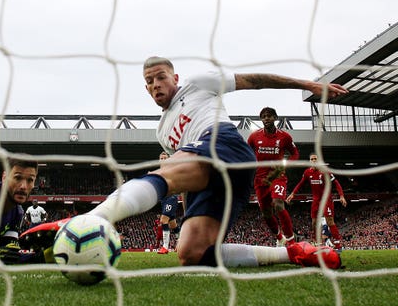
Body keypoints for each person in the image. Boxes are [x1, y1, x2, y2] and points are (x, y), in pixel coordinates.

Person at [65, 56, 346, 269]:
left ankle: (93, 218)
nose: (155, 85)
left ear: (175, 77)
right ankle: (296, 253)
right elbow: (186, 178)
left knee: (167, 169)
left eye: (160, 77)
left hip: (224, 144)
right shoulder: (162, 130)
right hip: (209, 173)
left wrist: (306, 84)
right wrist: (189, 214)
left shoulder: (198, 84)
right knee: (191, 254)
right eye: (149, 82)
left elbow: (255, 80)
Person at [247, 107, 299, 246]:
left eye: (269, 116)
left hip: (277, 176)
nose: (266, 118)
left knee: (278, 204)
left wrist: (285, 165)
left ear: (275, 118)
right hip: (260, 178)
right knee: (266, 213)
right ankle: (279, 238)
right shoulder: (254, 136)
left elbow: (295, 154)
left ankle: (291, 242)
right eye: (263, 116)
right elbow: (246, 152)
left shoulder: (284, 136)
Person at [286, 153, 347, 251]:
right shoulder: (307, 172)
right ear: (310, 161)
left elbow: (336, 183)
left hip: (326, 199)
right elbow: (300, 184)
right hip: (316, 200)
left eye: (315, 159)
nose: (314, 160)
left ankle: (338, 244)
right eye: (312, 159)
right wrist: (293, 193)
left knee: (329, 221)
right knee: (314, 222)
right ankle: (316, 242)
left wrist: (341, 196)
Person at [157, 151, 181, 254]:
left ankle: (165, 247)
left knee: (163, 220)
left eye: (165, 158)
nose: (163, 160)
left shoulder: (172, 170)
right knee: (172, 224)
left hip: (171, 198)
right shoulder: (159, 171)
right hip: (164, 199)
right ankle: (180, 244)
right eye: (161, 159)